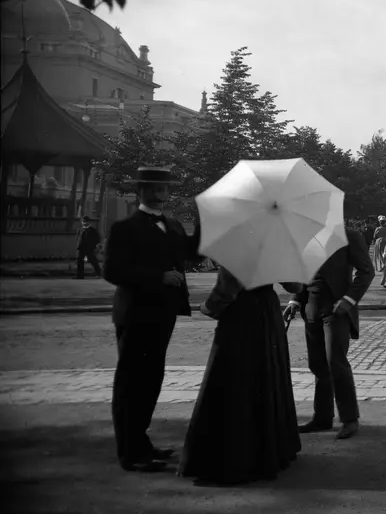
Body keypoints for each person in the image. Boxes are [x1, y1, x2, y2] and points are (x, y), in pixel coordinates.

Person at [103, 166, 202, 473]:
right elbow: (113, 272)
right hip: (135, 314)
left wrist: (204, 223)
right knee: (131, 383)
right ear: (140, 191)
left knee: (151, 381)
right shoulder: (125, 227)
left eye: (164, 189)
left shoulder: (171, 225)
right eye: (154, 189)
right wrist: (158, 277)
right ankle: (130, 454)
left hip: (163, 313)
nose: (160, 195)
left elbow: (192, 255)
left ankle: (141, 444)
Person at [178, 264, 300, 485]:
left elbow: (226, 290)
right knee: (267, 376)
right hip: (268, 311)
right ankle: (271, 450)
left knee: (235, 379)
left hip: (243, 313)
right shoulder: (273, 245)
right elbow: (296, 284)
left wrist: (207, 307)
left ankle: (238, 455)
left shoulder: (238, 248)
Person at [283, 226, 374, 441]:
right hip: (311, 308)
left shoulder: (349, 236)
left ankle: (350, 419)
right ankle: (322, 417)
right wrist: (295, 301)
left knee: (336, 362)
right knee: (317, 363)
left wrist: (349, 300)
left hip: (336, 309)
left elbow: (366, 271)